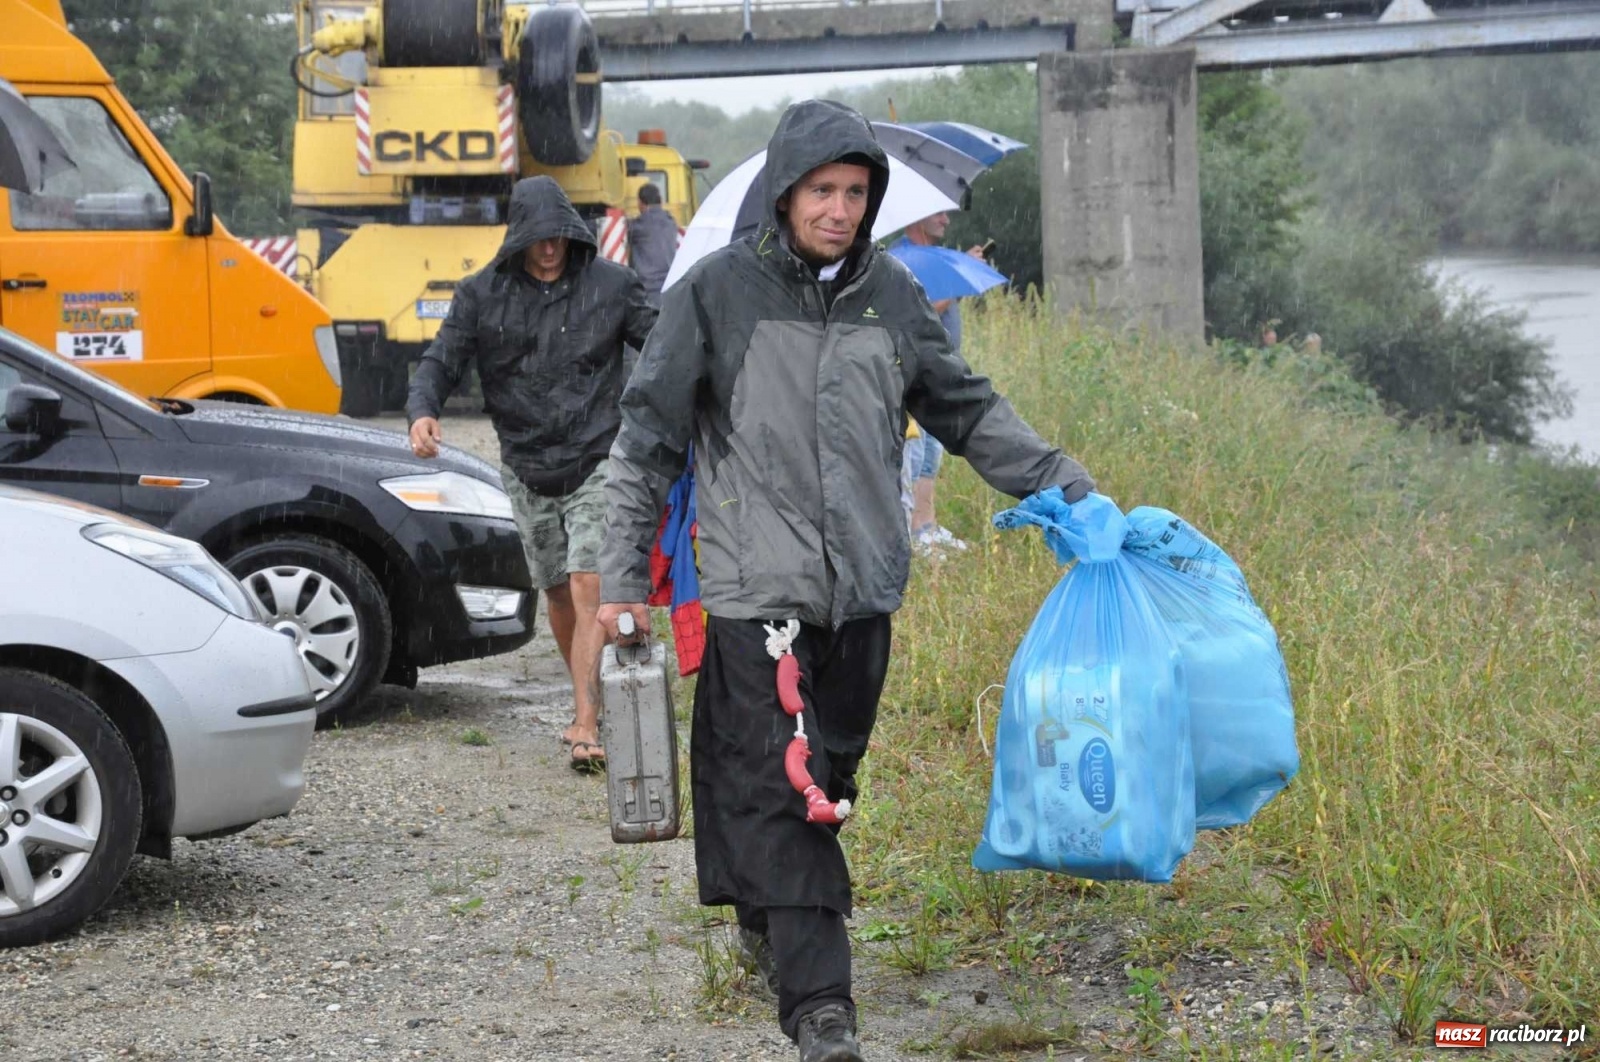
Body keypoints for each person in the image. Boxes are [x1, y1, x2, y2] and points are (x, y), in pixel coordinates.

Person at [597, 100, 1095, 1062]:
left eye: (855, 193)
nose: (838, 208)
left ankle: (763, 905)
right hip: (756, 592)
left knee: (834, 772)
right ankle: (821, 1007)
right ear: (785, 193)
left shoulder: (894, 297)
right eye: (822, 190)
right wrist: (622, 573)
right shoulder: (716, 294)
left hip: (864, 590)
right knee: (792, 787)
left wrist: (1068, 489)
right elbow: (645, 440)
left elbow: (968, 411)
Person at [407, 175, 656, 771]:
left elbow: (665, 346)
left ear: (574, 233)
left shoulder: (612, 286)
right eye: (539, 239)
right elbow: (441, 358)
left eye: (560, 237)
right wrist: (422, 410)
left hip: (598, 455)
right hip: (526, 464)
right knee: (558, 594)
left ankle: (587, 723)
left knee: (588, 581)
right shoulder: (480, 295)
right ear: (519, 239)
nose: (550, 249)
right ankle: (585, 701)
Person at [889, 211, 990, 555]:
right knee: (915, 455)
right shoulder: (900, 262)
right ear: (918, 217)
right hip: (917, 374)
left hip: (939, 372)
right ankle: (915, 532)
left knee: (932, 453)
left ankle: (925, 526)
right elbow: (919, 313)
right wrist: (959, 283)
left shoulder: (932, 258)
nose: (947, 220)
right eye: (940, 214)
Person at [627, 182, 679, 304]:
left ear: (640, 203)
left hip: (648, 289)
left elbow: (623, 232)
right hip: (669, 286)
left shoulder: (640, 225)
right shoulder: (671, 222)